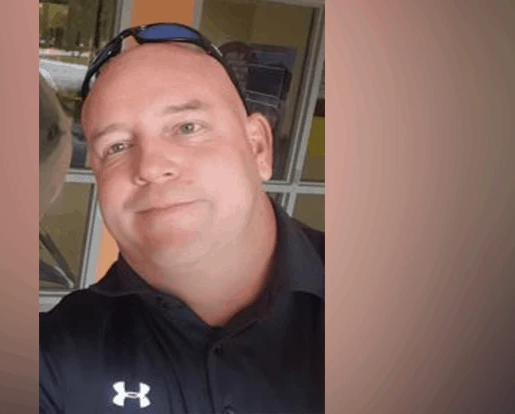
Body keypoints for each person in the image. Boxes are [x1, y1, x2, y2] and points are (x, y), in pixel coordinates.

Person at [40, 23, 324, 414]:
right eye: (117, 146)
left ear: (258, 147)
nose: (150, 167)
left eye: (187, 127)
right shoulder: (53, 358)